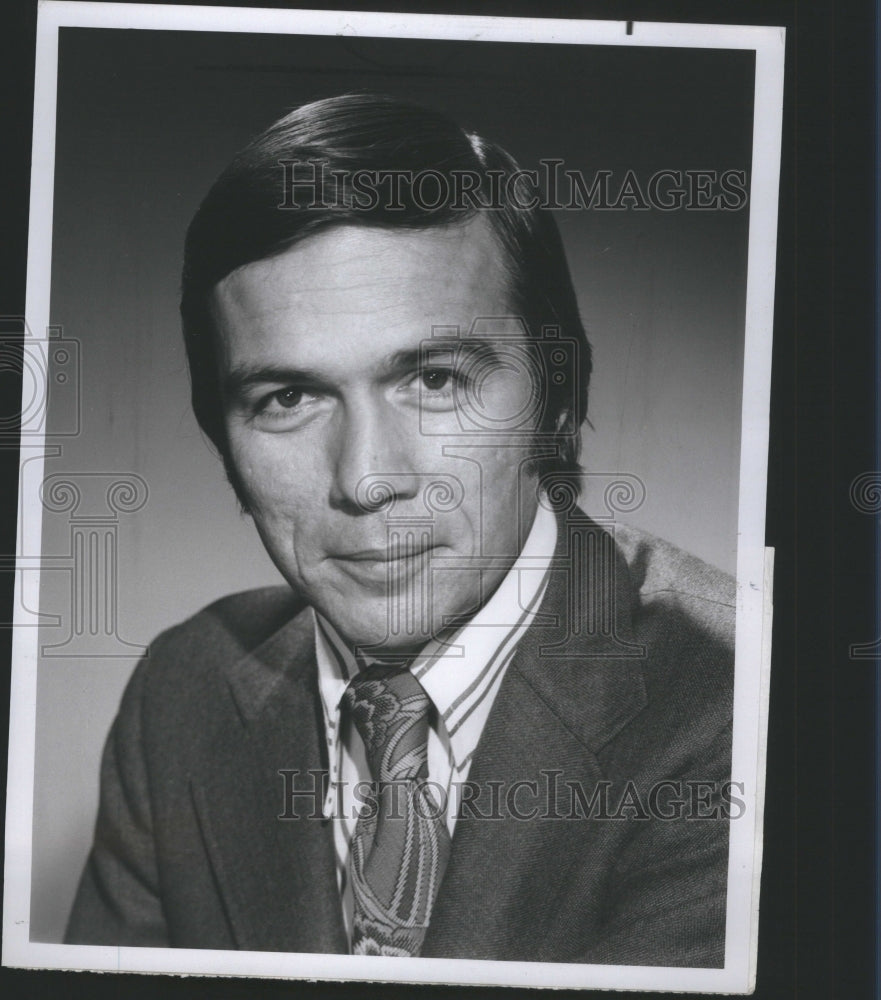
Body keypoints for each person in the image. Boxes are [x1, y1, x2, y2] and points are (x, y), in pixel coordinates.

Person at [66, 94, 735, 966]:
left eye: (434, 379)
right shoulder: (182, 692)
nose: (365, 478)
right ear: (221, 443)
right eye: (289, 399)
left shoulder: (742, 695)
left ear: (559, 397)